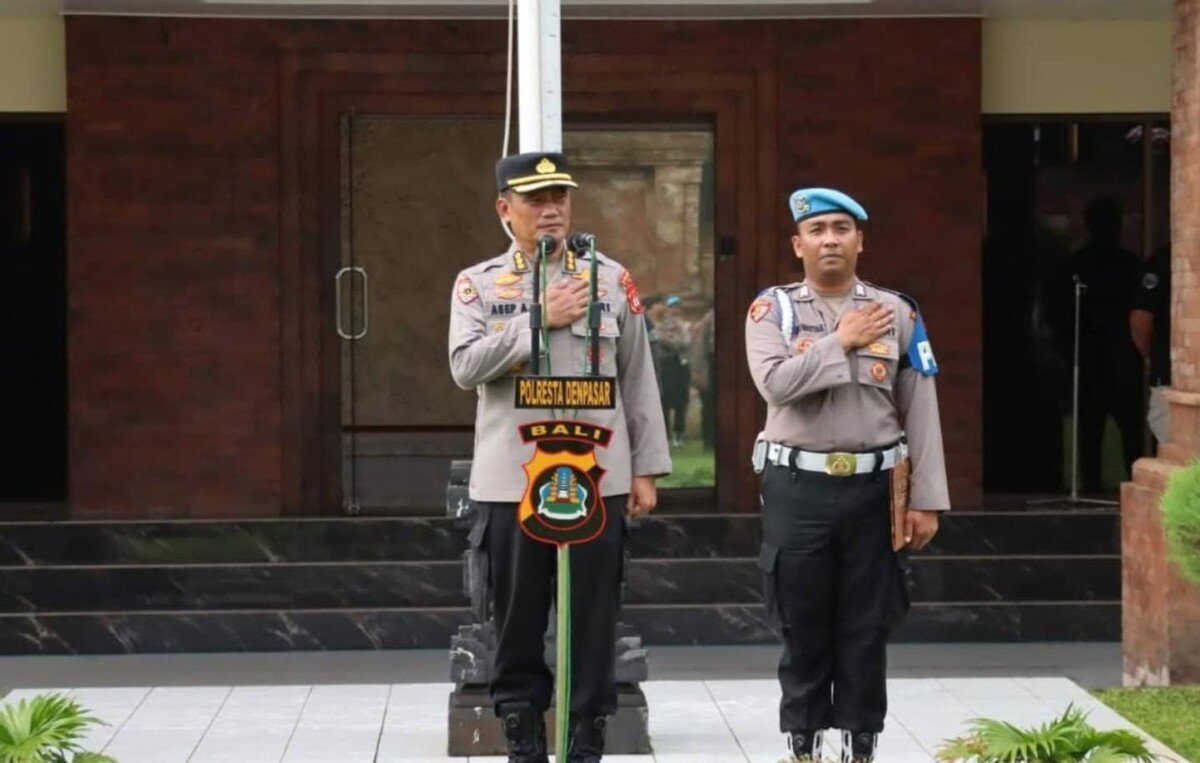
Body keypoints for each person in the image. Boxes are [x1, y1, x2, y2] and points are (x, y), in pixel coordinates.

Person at [448, 151, 671, 763]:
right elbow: (464, 367)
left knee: (593, 616)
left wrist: (647, 467)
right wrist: (538, 320)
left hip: (598, 475)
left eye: (559, 198)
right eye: (534, 200)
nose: (550, 210)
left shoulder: (610, 279)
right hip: (512, 480)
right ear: (505, 210)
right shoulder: (479, 284)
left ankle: (585, 740)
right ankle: (522, 738)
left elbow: (638, 377)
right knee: (517, 616)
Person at [744, 188, 949, 763]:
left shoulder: (898, 311)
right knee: (802, 622)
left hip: (874, 489)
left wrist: (926, 498)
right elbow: (776, 384)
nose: (829, 238)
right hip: (798, 486)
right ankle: (802, 742)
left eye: (841, 228)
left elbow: (921, 409)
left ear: (861, 240)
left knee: (867, 625)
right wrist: (842, 341)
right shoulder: (774, 311)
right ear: (798, 243)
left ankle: (862, 743)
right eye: (817, 230)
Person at [1065, 197, 1144, 491]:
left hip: (1096, 355)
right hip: (1110, 355)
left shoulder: (1078, 262)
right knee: (1123, 430)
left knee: (1095, 430)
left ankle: (1094, 485)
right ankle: (1132, 487)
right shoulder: (1124, 264)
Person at [1130, 244, 1172, 446]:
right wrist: (1154, 356)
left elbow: (1140, 321)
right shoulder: (1165, 261)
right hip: (1170, 378)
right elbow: (1141, 319)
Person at [655, 295, 691, 447]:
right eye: (672, 307)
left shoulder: (684, 325)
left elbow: (687, 340)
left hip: (681, 365)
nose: (675, 310)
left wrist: (675, 343)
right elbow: (662, 339)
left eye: (677, 306)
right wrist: (677, 343)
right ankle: (666, 436)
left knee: (681, 402)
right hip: (667, 365)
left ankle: (679, 434)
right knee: (665, 402)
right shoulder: (661, 325)